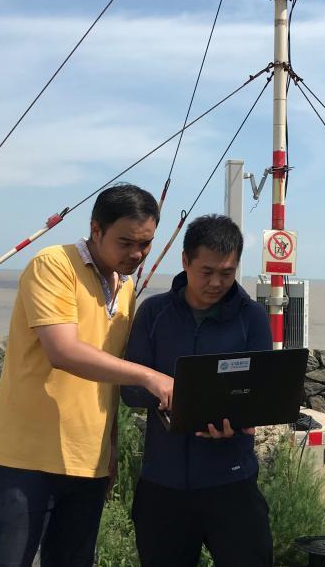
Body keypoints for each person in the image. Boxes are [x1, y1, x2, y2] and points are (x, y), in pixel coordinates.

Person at [0, 183, 174, 567]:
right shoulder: (54, 265)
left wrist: (110, 448)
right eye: (126, 242)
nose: (136, 253)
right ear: (96, 229)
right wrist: (151, 377)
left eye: (145, 244)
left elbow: (106, 378)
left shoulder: (126, 287)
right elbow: (63, 351)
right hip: (24, 460)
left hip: (87, 463)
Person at [122, 214, 273, 567]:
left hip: (233, 481)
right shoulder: (154, 313)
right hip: (163, 485)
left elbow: (261, 393)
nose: (216, 283)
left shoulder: (251, 318)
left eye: (227, 273)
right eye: (206, 271)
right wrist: (171, 397)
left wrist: (236, 419)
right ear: (185, 261)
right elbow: (130, 391)